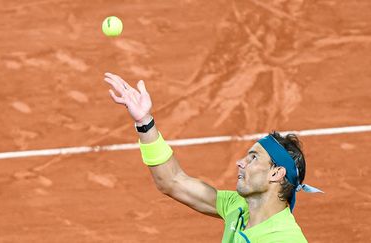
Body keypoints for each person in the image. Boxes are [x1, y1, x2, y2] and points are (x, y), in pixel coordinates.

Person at [104, 72, 323, 243]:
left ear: (276, 173)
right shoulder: (238, 206)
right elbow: (172, 181)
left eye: (253, 158)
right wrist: (144, 122)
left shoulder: (285, 239)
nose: (240, 163)